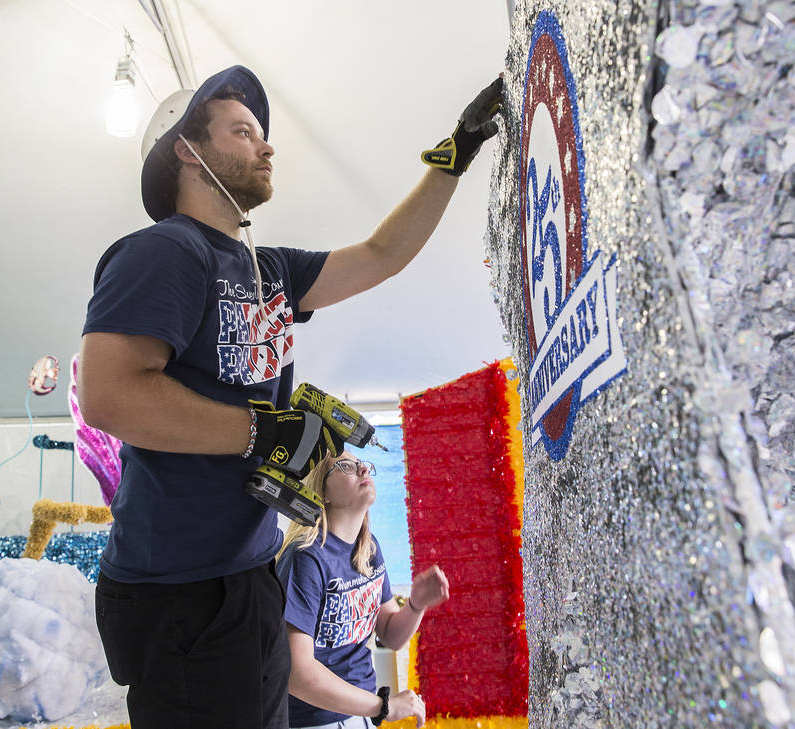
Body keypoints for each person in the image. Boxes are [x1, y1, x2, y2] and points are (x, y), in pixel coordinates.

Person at [77, 64, 502, 729]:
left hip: (249, 572)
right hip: (180, 590)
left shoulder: (266, 267)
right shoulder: (163, 252)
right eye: (242, 131)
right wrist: (260, 432)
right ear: (188, 152)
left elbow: (383, 254)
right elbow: (107, 395)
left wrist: (457, 151)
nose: (266, 145)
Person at [277, 451, 450, 728]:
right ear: (323, 492)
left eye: (363, 465)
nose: (363, 470)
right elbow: (297, 673)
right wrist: (382, 706)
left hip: (362, 715)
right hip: (313, 721)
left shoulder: (368, 550)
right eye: (345, 466)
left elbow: (391, 634)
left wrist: (416, 605)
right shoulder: (306, 559)